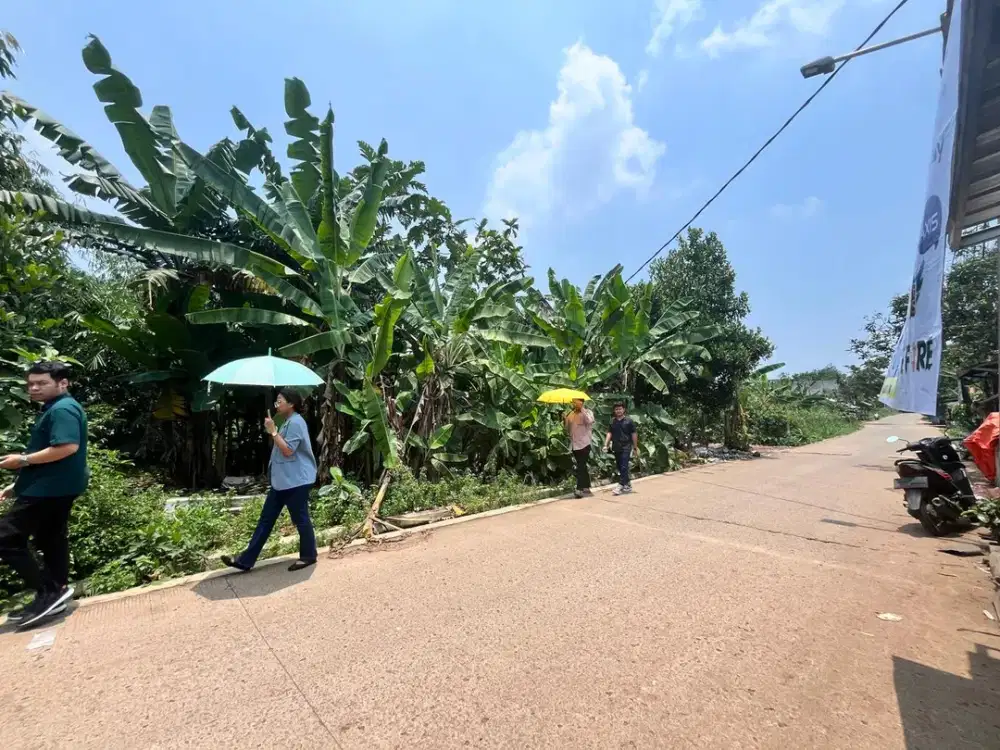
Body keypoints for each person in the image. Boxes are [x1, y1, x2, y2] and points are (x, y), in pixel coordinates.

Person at [0, 361, 88, 628]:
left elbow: (67, 448)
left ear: (63, 383)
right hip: (54, 485)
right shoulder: (56, 407)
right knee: (50, 539)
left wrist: (21, 460)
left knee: (5, 537)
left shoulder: (62, 409)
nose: (34, 388)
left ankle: (49, 591)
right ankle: (55, 592)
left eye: (41, 383)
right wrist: (16, 485)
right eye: (31, 383)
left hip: (50, 488)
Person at [222, 389, 318, 573]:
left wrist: (273, 432)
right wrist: (274, 430)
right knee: (266, 519)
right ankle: (245, 560)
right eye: (276, 402)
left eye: (279, 401)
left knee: (300, 518)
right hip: (282, 481)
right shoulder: (286, 422)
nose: (277, 405)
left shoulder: (297, 422)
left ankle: (308, 556)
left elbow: (288, 450)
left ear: (291, 404)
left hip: (297, 481)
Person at [604, 402, 638, 496]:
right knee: (620, 466)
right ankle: (627, 484)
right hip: (616, 446)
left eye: (620, 409)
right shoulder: (613, 421)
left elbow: (634, 434)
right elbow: (609, 433)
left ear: (624, 410)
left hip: (626, 446)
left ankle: (620, 485)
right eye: (616, 409)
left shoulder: (629, 421)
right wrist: (605, 444)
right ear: (614, 411)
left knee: (624, 466)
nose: (618, 411)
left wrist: (635, 447)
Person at [564, 398, 594, 498]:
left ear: (582, 402)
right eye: (574, 402)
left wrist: (582, 410)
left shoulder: (588, 412)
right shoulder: (571, 414)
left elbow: (590, 421)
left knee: (580, 466)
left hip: (585, 444)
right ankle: (586, 487)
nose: (576, 404)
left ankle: (579, 489)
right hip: (575, 445)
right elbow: (567, 429)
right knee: (582, 465)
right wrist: (565, 419)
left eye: (578, 402)